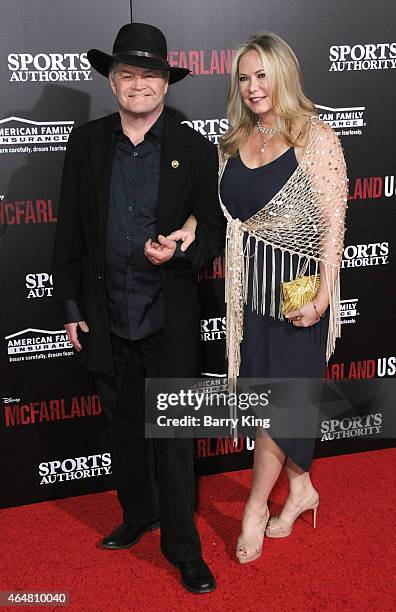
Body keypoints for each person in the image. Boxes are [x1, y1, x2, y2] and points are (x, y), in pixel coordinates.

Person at [52, 22, 224, 593]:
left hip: (166, 317)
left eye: (150, 74)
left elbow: (213, 235)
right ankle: (137, 515)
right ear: (111, 81)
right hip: (106, 316)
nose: (139, 84)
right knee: (126, 428)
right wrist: (72, 304)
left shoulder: (194, 149)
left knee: (174, 440)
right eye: (127, 73)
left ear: (166, 84)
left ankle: (183, 549)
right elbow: (70, 230)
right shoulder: (87, 143)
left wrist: (181, 250)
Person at [218, 32, 347, 563]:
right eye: (244, 77)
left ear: (283, 76)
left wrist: (322, 299)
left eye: (262, 74)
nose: (253, 87)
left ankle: (254, 507)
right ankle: (301, 489)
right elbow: (222, 216)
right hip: (252, 300)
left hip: (299, 302)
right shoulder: (232, 143)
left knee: (276, 408)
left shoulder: (314, 137)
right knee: (273, 403)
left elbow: (334, 229)